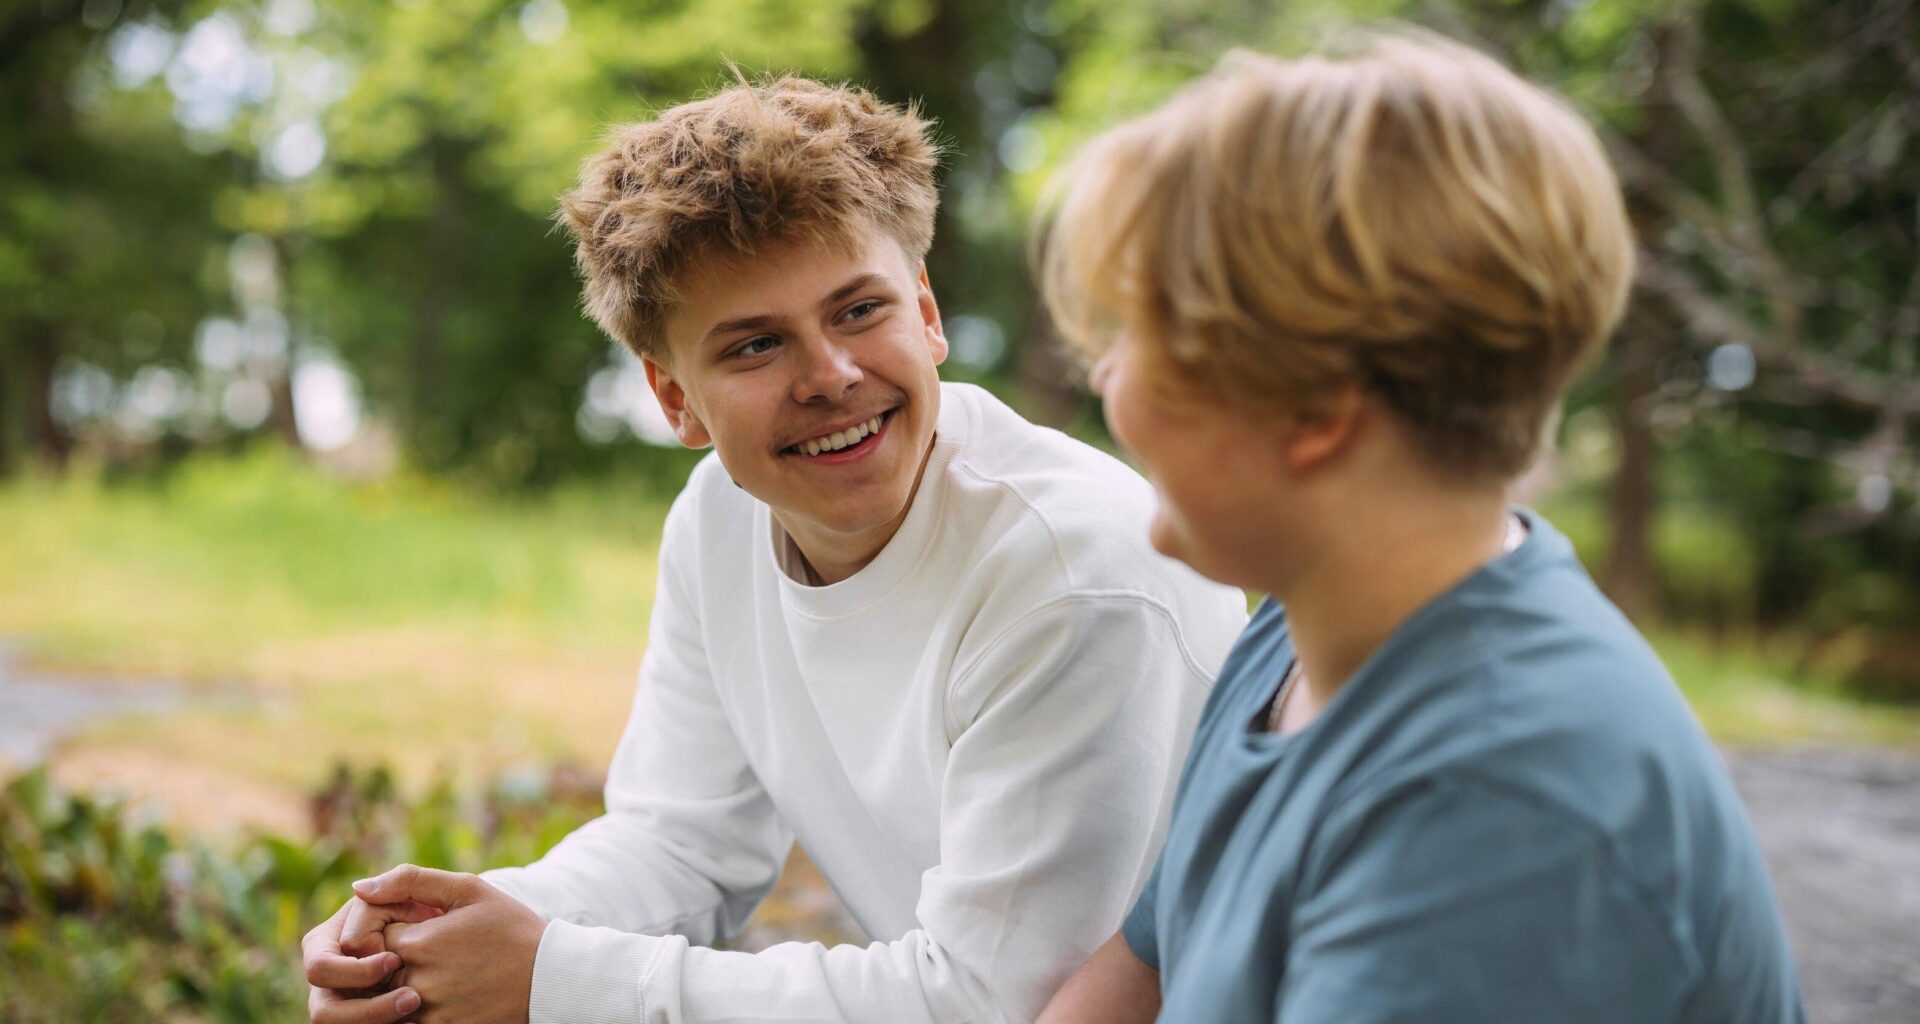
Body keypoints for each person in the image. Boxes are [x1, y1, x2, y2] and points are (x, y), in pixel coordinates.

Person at [297, 76, 1248, 1024]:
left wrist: (552, 982)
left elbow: (995, 1004)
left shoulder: (1071, 574)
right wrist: (442, 936)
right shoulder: (721, 518)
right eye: (754, 347)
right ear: (675, 400)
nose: (830, 376)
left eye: (858, 310)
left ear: (926, 312)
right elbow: (682, 843)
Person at [1032, 31, 1806, 1023]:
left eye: (1144, 333)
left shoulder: (1507, 804)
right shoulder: (1295, 633)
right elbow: (1142, 971)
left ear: (1315, 407)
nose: (1108, 379)